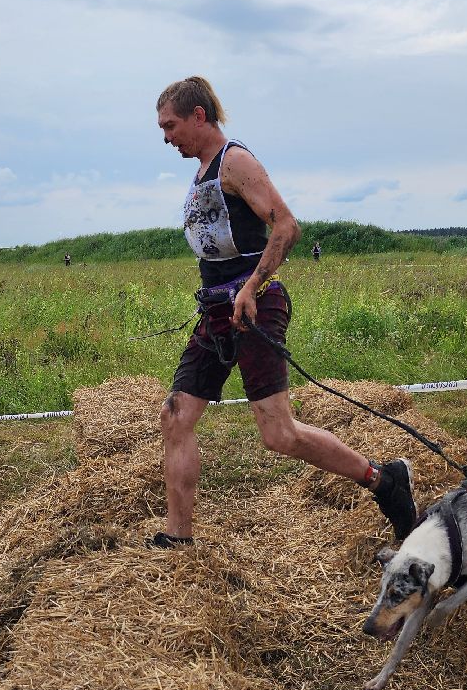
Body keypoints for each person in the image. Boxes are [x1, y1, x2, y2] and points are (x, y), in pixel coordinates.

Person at [153, 76, 416, 548]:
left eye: (171, 126)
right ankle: (179, 538)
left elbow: (287, 225)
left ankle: (384, 479)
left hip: (254, 306)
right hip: (217, 311)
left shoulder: (235, 161)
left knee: (279, 434)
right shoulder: (203, 171)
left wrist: (252, 286)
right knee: (176, 416)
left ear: (198, 115)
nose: (166, 137)